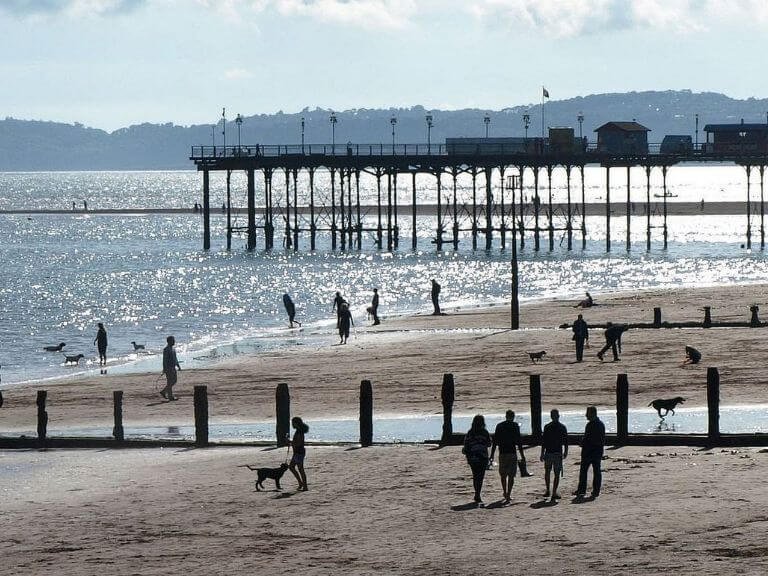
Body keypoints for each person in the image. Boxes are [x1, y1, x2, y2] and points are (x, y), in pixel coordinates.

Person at [489, 410, 526, 503]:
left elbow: (495, 441)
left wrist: (492, 455)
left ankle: (504, 491)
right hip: (512, 453)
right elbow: (519, 442)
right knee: (511, 475)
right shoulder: (515, 426)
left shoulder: (499, 426)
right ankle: (508, 494)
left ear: (506, 416)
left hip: (502, 453)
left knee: (503, 474)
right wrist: (522, 455)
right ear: (513, 417)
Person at [574, 406, 605, 499]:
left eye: (587, 414)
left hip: (590, 451)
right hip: (596, 451)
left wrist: (583, 443)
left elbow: (589, 438)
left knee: (586, 471)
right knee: (595, 471)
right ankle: (595, 490)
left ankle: (583, 490)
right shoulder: (600, 424)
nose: (586, 415)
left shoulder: (592, 425)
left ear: (592, 414)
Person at [540, 409, 568, 502]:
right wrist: (565, 452)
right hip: (557, 453)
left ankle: (548, 490)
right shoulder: (562, 427)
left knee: (547, 472)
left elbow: (544, 442)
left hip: (548, 452)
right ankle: (554, 492)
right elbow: (566, 441)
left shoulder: (547, 427)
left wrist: (542, 453)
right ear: (558, 416)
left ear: (551, 416)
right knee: (556, 474)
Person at [462, 414, 491, 504]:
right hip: (482, 456)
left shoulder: (470, 432)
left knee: (475, 475)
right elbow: (489, 443)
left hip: (472, 457)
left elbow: (466, 444)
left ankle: (477, 493)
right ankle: (477, 493)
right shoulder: (484, 432)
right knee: (480, 476)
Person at [288, 416, 309, 491]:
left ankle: (304, 486)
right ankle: (301, 483)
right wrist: (292, 442)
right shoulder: (298, 431)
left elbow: (299, 443)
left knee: (300, 469)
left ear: (296, 423)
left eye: (293, 423)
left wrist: (291, 443)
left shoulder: (299, 432)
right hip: (297, 452)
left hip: (299, 452)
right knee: (291, 467)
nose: (292, 425)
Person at [160, 335, 181, 401]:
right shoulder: (166, 349)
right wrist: (164, 369)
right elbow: (164, 360)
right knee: (170, 382)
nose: (174, 342)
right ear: (169, 341)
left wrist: (178, 365)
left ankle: (164, 392)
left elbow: (175, 358)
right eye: (173, 340)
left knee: (174, 381)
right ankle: (170, 396)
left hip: (173, 367)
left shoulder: (173, 349)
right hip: (168, 368)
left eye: (174, 340)